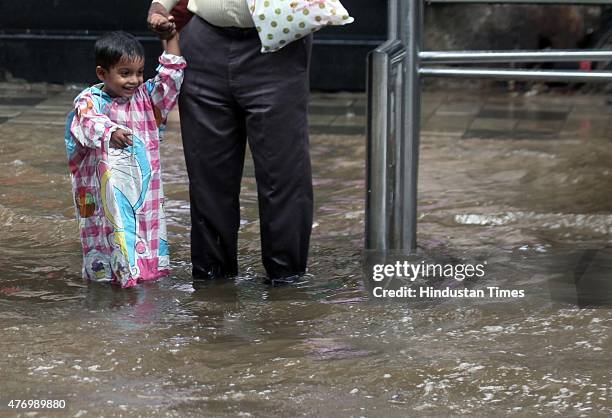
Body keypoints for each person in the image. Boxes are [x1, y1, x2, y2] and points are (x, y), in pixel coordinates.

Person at [147, 0, 314, 286]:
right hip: (204, 40)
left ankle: (287, 284)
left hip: (277, 42)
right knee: (207, 177)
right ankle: (212, 287)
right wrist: (161, 5)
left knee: (283, 175)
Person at [65, 30, 186, 288]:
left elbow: (171, 77)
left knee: (147, 265)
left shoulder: (146, 98)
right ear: (102, 73)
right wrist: (111, 132)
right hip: (105, 198)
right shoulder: (90, 100)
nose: (134, 80)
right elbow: (88, 122)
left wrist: (172, 36)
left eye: (139, 72)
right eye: (125, 73)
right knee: (108, 260)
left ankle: (143, 293)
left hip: (145, 197)